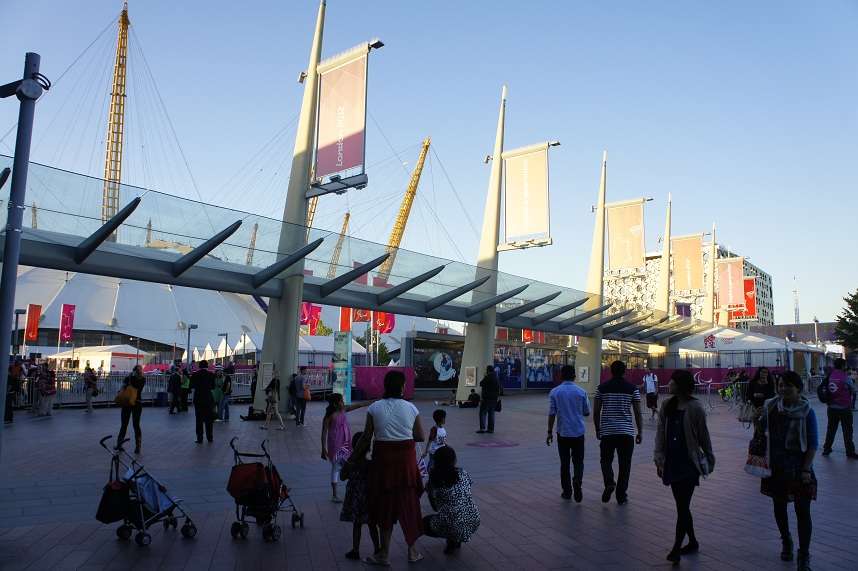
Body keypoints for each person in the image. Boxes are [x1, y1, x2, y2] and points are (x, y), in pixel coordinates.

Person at [354, 370, 425, 565]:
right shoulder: (411, 408)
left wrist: (353, 459)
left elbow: (366, 437)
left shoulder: (375, 408)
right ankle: (412, 552)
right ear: (402, 387)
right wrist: (402, 434)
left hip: (383, 464)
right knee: (409, 506)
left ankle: (384, 554)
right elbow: (420, 435)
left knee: (384, 508)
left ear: (385, 386)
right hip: (405, 464)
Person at [654, 370, 716, 564]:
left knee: (682, 505)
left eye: (672, 381)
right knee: (682, 506)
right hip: (672, 461)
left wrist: (710, 458)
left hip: (689, 462)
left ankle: (676, 548)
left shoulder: (695, 407)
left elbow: (703, 435)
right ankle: (693, 541)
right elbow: (660, 434)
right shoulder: (667, 405)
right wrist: (659, 458)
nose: (669, 384)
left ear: (680, 385)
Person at [759, 371, 818, 570]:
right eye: (781, 385)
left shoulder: (807, 411)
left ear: (798, 389)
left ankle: (804, 554)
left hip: (799, 467)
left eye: (788, 386)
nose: (783, 389)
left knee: (803, 511)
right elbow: (762, 432)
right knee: (779, 507)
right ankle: (786, 540)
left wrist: (806, 469)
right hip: (776, 466)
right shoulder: (771, 407)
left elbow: (812, 444)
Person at [593, 360, 643, 505]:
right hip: (626, 433)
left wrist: (598, 429)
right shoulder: (632, 388)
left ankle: (609, 482)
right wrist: (639, 432)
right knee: (625, 464)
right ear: (624, 371)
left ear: (611, 371)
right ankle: (621, 495)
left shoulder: (601, 388)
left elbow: (596, 412)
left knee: (605, 460)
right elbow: (638, 413)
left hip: (608, 432)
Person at [423, 446, 480, 555]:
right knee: (454, 514)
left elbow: (435, 508)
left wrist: (429, 493)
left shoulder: (436, 480)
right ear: (454, 460)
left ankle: (452, 539)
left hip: (454, 523)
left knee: (424, 524)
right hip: (473, 519)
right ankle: (455, 539)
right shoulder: (462, 472)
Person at [546, 365, 590, 502]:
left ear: (561, 376)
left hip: (563, 432)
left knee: (564, 463)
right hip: (578, 432)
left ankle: (567, 491)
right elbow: (586, 412)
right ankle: (577, 481)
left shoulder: (555, 392)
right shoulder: (581, 392)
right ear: (574, 376)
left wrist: (549, 432)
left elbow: (552, 414)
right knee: (578, 462)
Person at [321, 393, 370, 502]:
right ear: (335, 403)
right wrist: (323, 449)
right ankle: (335, 494)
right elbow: (324, 433)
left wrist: (372, 401)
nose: (343, 402)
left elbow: (359, 405)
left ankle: (347, 489)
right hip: (335, 445)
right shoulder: (329, 416)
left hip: (345, 444)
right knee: (337, 468)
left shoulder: (343, 410)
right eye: (341, 401)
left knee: (344, 466)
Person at [340, 431, 381, 561]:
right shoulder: (370, 464)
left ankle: (356, 550)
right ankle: (377, 548)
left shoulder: (351, 464)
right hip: (368, 498)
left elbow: (342, 477)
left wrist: (347, 464)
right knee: (372, 524)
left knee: (356, 524)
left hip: (355, 499)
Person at [820, 358, 857, 458]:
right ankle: (850, 452)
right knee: (847, 430)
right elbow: (853, 390)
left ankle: (826, 449)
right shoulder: (845, 377)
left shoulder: (830, 375)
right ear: (843, 366)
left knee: (831, 429)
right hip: (844, 408)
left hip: (831, 407)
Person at [117, 365, 146, 454]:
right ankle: (138, 446)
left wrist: (130, 378)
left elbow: (124, 387)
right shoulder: (142, 379)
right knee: (135, 425)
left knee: (124, 424)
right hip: (136, 403)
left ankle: (119, 444)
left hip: (128, 403)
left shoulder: (131, 378)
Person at [189, 360, 216, 443]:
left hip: (198, 399)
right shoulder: (211, 375)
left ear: (199, 366)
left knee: (199, 419)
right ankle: (210, 438)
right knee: (209, 419)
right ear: (207, 366)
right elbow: (213, 387)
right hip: (208, 399)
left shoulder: (195, 374)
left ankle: (200, 438)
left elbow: (191, 386)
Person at [422, 409, 448, 473]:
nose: (445, 419)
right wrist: (426, 451)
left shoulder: (443, 429)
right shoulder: (434, 429)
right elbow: (430, 441)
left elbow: (442, 440)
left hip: (442, 451)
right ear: (441, 419)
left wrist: (445, 445)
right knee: (432, 465)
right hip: (434, 452)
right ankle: (430, 475)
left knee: (440, 466)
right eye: (444, 418)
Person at [476, 366, 499, 434]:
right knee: (491, 414)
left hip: (486, 399)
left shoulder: (488, 377)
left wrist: (485, 376)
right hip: (494, 399)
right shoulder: (496, 377)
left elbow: (481, 383)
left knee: (482, 413)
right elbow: (498, 388)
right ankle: (491, 429)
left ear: (488, 370)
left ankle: (482, 428)